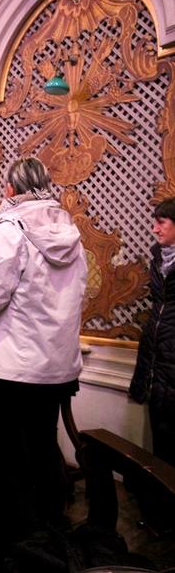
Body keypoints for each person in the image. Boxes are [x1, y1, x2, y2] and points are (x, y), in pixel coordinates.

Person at [0, 156, 87, 538]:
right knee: (42, 445)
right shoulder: (70, 231)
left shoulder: (11, 227)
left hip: (12, 366)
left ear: (10, 189)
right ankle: (50, 526)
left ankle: (14, 539)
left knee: (7, 455)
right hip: (55, 364)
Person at [130, 197, 175, 467]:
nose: (155, 229)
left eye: (161, 222)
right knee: (160, 433)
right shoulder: (157, 257)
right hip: (157, 356)